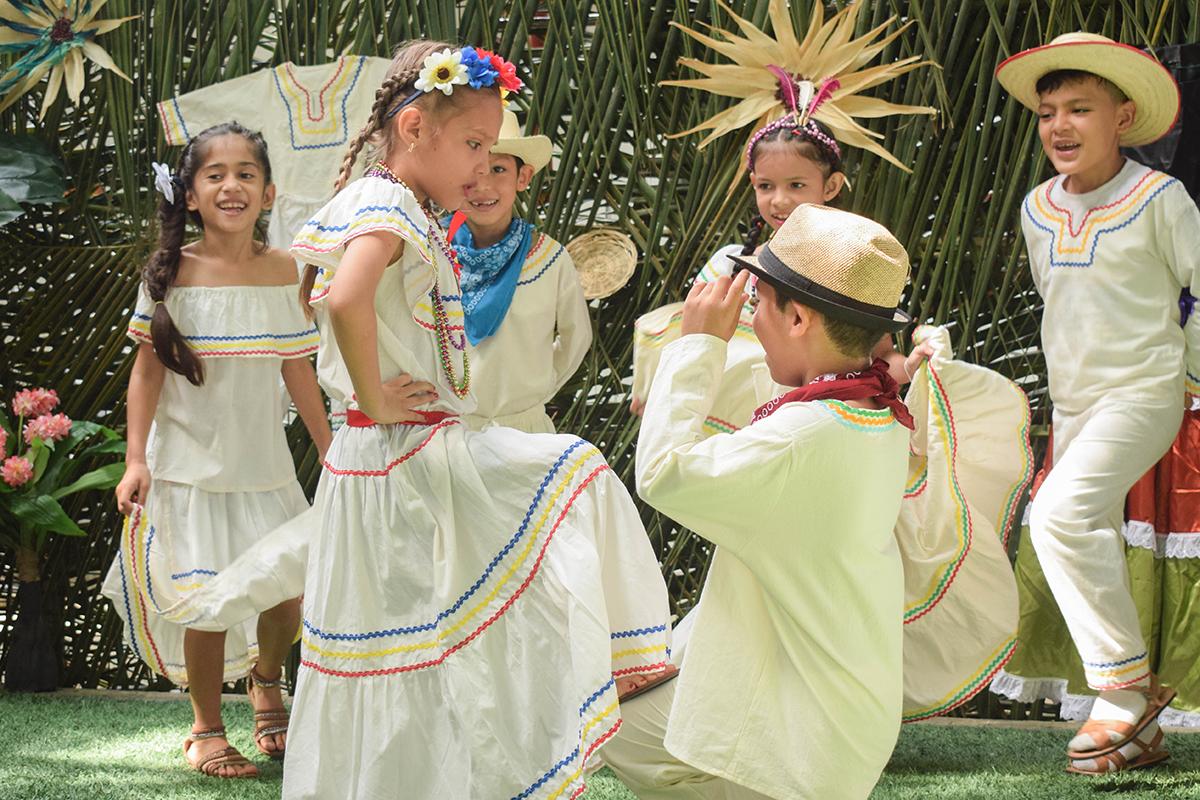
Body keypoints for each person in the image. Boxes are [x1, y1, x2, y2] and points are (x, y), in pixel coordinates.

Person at [282, 41, 671, 798]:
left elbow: (323, 298)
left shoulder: (395, 202)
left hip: (394, 453)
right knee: (573, 471)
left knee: (416, 637)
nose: (480, 163)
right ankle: (624, 652)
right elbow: (342, 298)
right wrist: (374, 394)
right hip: (395, 448)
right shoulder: (387, 202)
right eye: (472, 143)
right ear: (416, 127)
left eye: (492, 148)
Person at [630, 0, 1030, 726]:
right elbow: (691, 331)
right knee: (761, 566)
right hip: (761, 429)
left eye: (795, 186)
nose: (778, 200)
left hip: (829, 437)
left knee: (833, 566)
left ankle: (818, 696)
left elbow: (872, 347)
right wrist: (671, 382)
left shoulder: (852, 263)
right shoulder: (735, 267)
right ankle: (738, 685)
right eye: (764, 187)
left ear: (833, 187)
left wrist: (904, 371)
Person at [605, 203, 913, 799]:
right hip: (844, 722)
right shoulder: (874, 411)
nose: (749, 321)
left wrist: (694, 347)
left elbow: (663, 473)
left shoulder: (800, 438)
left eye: (757, 308)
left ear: (798, 319)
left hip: (799, 735)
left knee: (598, 718)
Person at [992, 32, 1200, 774]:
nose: (1060, 126)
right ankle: (1143, 734)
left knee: (1060, 516)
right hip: (1073, 406)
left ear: (1123, 116)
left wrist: (1194, 378)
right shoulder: (1037, 207)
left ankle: (1123, 690)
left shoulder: (1159, 197)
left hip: (1145, 394)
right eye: (1048, 111)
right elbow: (1062, 305)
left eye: (1080, 108)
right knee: (1082, 534)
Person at [102, 122, 332, 778]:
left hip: (265, 473)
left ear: (269, 192)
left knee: (286, 596)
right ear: (192, 195)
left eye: (246, 174)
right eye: (215, 175)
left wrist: (331, 450)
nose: (232, 184)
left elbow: (297, 371)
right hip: (189, 473)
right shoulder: (171, 274)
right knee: (205, 601)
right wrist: (137, 460)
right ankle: (206, 726)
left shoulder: (287, 271)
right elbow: (146, 373)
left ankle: (266, 680)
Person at [448, 108, 592, 433]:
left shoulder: (548, 259)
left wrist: (534, 386)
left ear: (523, 177)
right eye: (473, 170)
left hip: (523, 428)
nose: (483, 185)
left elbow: (576, 337)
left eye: (498, 169)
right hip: (447, 433)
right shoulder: (434, 251)